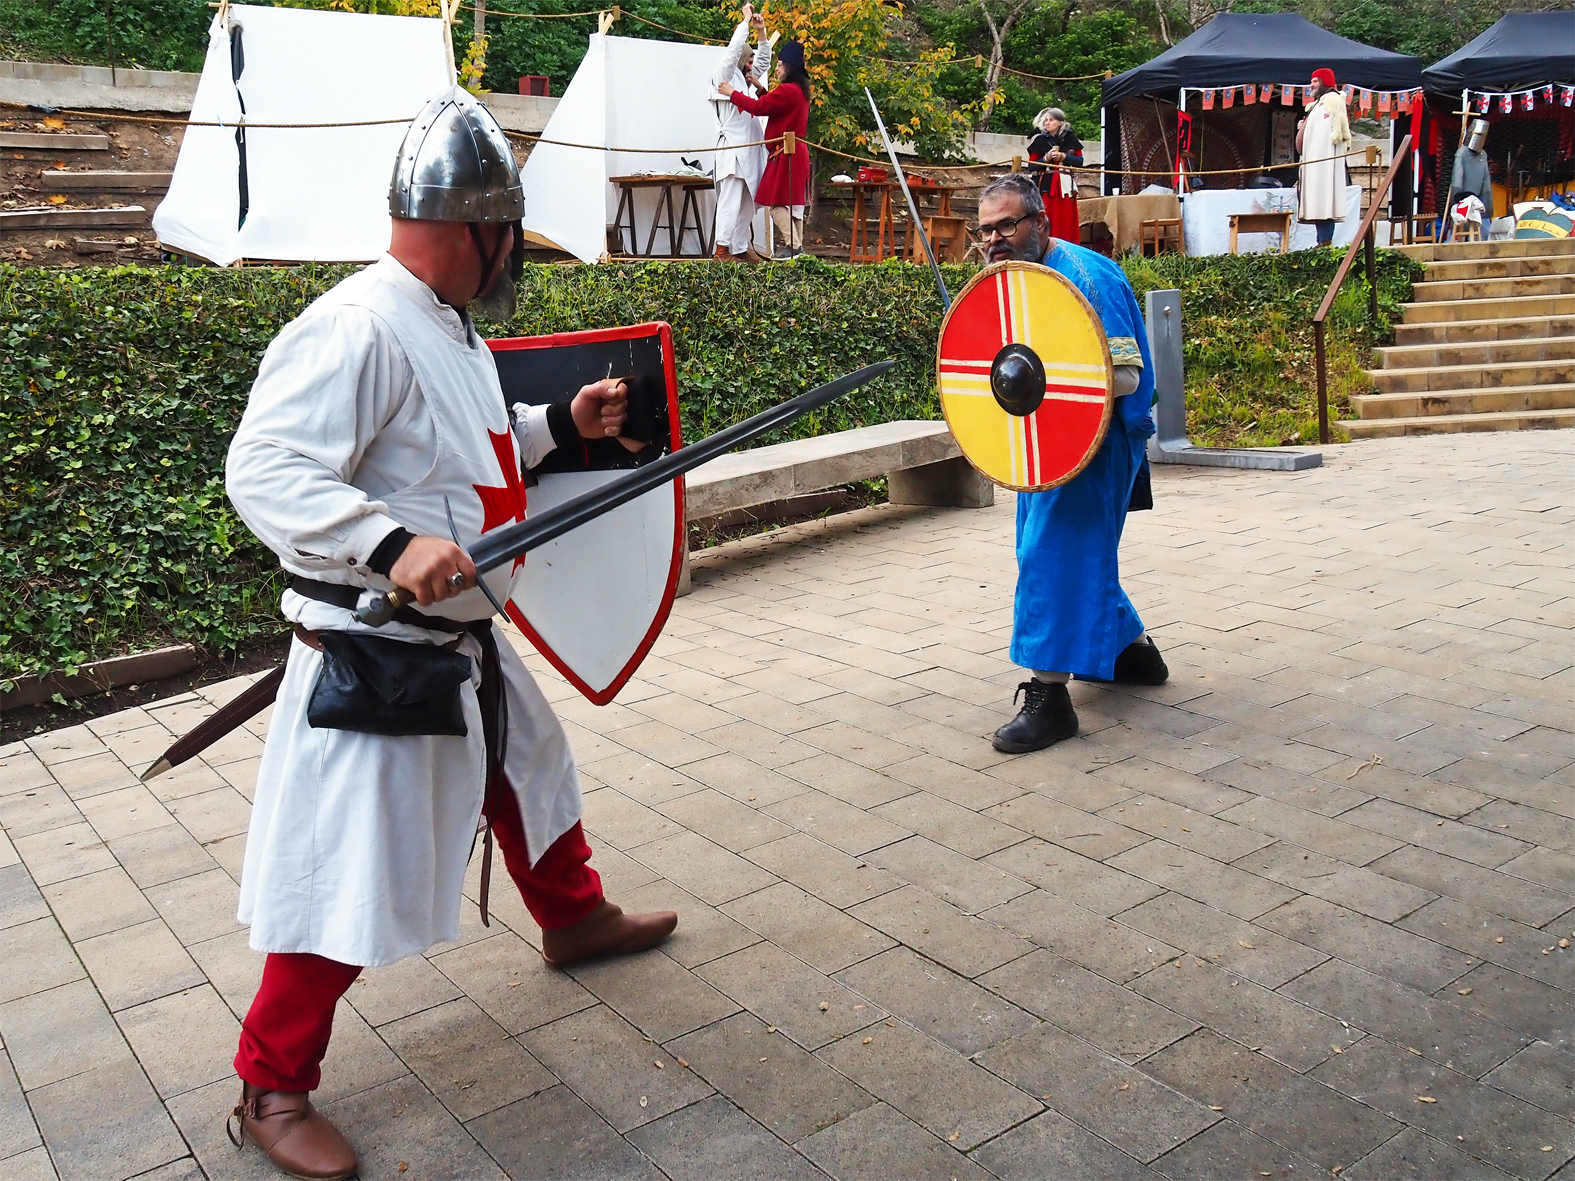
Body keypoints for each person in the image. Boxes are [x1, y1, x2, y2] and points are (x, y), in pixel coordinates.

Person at [222, 86, 677, 1180]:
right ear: (479, 228)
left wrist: (556, 426)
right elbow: (264, 467)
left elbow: (461, 450)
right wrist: (385, 544)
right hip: (376, 657)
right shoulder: (355, 325)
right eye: (509, 235)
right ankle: (270, 1085)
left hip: (461, 638)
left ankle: (572, 918)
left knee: (531, 765)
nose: (512, 253)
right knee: (347, 867)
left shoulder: (450, 329)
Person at [973, 173, 1168, 754]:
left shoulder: (1089, 277)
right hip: (1040, 440)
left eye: (1008, 224)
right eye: (985, 230)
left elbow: (1128, 376)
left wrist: (1051, 382)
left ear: (1041, 223)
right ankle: (1131, 651)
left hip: (1099, 439)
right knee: (1048, 547)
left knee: (1050, 552)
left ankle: (1049, 698)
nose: (995, 239)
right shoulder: (1009, 281)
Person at [720, 39, 810, 258]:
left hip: (786, 153)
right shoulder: (799, 90)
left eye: (780, 64)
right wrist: (760, 89)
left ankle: (794, 246)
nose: (777, 68)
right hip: (794, 152)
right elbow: (775, 106)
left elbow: (760, 108)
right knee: (792, 204)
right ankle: (796, 248)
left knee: (777, 204)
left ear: (789, 66)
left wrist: (732, 92)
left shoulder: (788, 90)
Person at [709, 3, 772, 261]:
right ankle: (721, 248)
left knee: (749, 203)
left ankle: (738, 247)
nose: (752, 64)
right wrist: (745, 22)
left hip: (750, 151)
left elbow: (765, 62)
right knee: (731, 201)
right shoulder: (722, 75)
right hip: (732, 150)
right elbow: (733, 51)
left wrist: (762, 32)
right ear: (740, 58)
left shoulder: (743, 77)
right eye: (749, 59)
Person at [1297, 67, 1351, 246]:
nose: (1311, 84)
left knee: (1325, 201)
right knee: (1318, 202)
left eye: (1315, 81)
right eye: (1311, 80)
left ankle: (1325, 242)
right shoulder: (1318, 105)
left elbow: (1338, 125)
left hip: (1324, 162)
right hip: (1314, 163)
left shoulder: (1333, 100)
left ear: (1325, 82)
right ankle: (1321, 241)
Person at [1026, 107, 1082, 243]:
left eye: (1051, 120)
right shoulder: (1040, 140)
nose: (1047, 123)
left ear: (1060, 122)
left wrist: (1063, 157)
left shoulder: (1070, 139)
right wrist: (1046, 158)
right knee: (1047, 216)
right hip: (1046, 185)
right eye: (1046, 120)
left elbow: (1079, 161)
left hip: (1065, 187)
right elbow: (1031, 166)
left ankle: (1068, 248)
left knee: (1066, 219)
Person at [1447, 117, 1495, 227]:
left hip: (1477, 199)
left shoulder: (1483, 155)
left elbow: (1485, 181)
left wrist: (1487, 202)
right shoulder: (1462, 153)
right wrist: (1457, 197)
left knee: (1483, 228)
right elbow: (1457, 179)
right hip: (1463, 198)